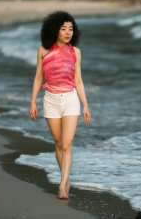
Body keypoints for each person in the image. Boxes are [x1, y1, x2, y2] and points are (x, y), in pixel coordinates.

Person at [29, 11, 91, 200]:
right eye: (63, 28)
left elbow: (78, 81)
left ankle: (63, 185)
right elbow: (39, 77)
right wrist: (33, 102)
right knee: (58, 143)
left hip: (71, 99)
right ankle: (66, 177)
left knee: (67, 144)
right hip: (50, 100)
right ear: (54, 30)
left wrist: (85, 105)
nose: (67, 32)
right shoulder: (43, 50)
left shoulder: (76, 52)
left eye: (70, 29)